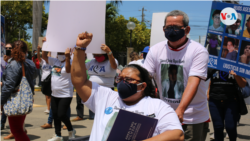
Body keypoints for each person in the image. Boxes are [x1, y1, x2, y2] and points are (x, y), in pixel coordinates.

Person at [71, 32, 184, 141]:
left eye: (129, 79)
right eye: (120, 79)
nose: (122, 82)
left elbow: (177, 135)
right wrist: (80, 48)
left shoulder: (158, 106)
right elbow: (79, 81)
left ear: (142, 86)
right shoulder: (105, 97)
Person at [143, 10, 210, 141]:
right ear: (163, 29)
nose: (171, 30)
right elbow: (144, 77)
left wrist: (180, 110)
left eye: (176, 27)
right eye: (168, 27)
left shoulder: (198, 51)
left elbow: (193, 82)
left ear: (187, 29)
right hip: (164, 115)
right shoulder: (156, 50)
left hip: (191, 117)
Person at [0, 40, 37, 141]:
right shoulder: (28, 63)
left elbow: (8, 86)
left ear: (13, 50)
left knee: (16, 130)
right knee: (19, 129)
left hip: (15, 99)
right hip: (23, 97)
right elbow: (33, 76)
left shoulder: (14, 64)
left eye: (10, 49)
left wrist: (1, 101)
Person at [42, 46, 76, 140]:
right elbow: (44, 56)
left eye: (63, 53)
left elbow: (68, 70)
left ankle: (71, 129)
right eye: (59, 53)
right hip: (54, 93)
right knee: (56, 115)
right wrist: (45, 45)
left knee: (61, 114)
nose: (61, 55)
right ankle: (58, 135)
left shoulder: (71, 62)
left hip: (65, 94)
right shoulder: (55, 61)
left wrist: (68, 57)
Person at [206, 69, 246, 141]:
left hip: (231, 101)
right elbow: (206, 78)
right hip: (214, 101)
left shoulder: (235, 65)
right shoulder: (214, 63)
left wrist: (236, 76)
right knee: (218, 127)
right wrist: (208, 91)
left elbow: (243, 84)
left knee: (231, 127)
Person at [71, 53, 92, 121]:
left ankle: (92, 115)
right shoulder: (77, 63)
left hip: (89, 83)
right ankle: (80, 115)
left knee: (91, 100)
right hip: (80, 84)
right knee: (79, 100)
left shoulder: (89, 62)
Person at [37, 45, 52, 114]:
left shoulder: (52, 61)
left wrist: (50, 49)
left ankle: (49, 108)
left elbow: (50, 53)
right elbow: (38, 57)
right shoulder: (42, 61)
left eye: (49, 53)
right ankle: (48, 107)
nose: (47, 54)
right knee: (46, 95)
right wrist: (38, 50)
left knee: (49, 95)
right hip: (43, 79)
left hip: (50, 79)